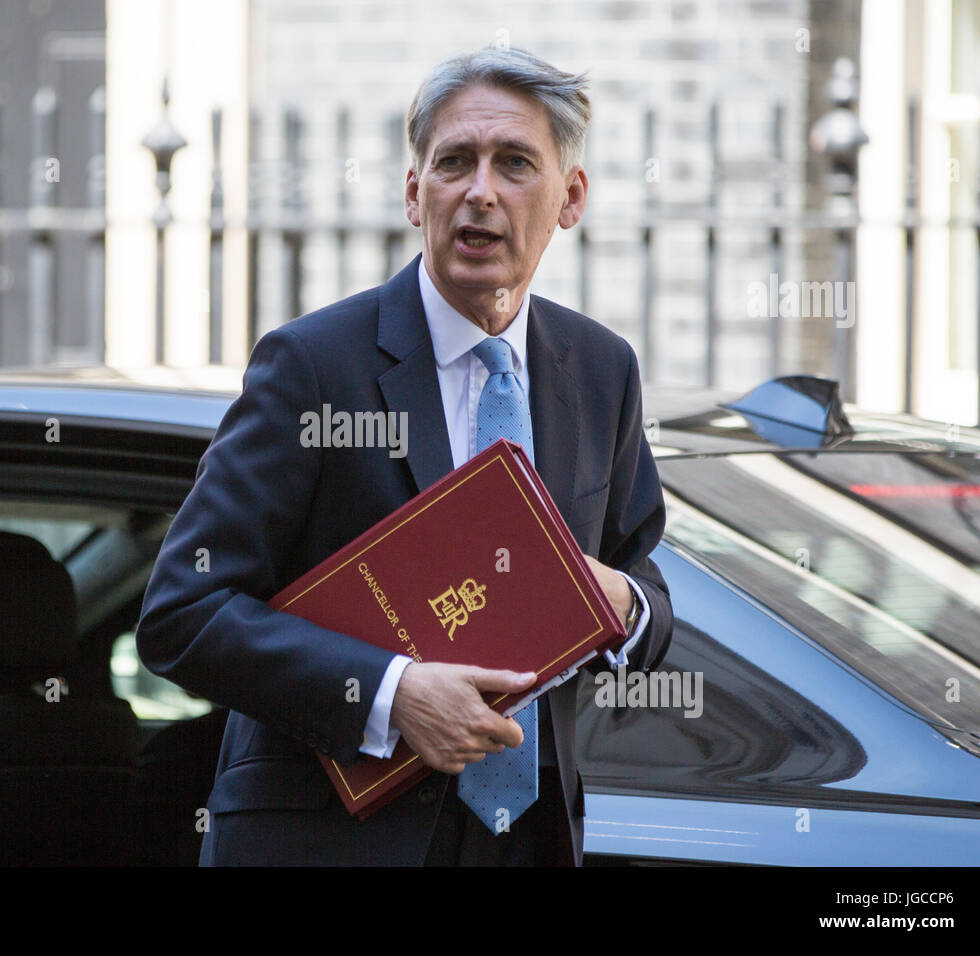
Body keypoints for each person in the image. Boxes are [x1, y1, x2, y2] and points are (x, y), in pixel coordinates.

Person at [136, 44, 672, 866]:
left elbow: (648, 586)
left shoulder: (601, 369)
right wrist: (388, 695)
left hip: (528, 840)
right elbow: (184, 612)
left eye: (516, 164)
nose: (480, 192)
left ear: (570, 198)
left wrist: (622, 604)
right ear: (415, 191)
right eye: (455, 161)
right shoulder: (314, 365)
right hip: (332, 842)